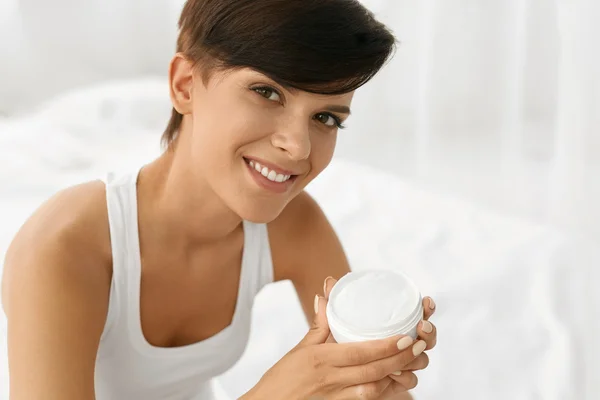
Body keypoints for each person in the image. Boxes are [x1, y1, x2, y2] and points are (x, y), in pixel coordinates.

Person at [1, 0, 438, 398]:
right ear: (186, 85)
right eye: (267, 92)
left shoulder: (293, 225)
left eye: (325, 117)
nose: (299, 147)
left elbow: (366, 385)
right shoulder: (64, 248)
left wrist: (378, 374)